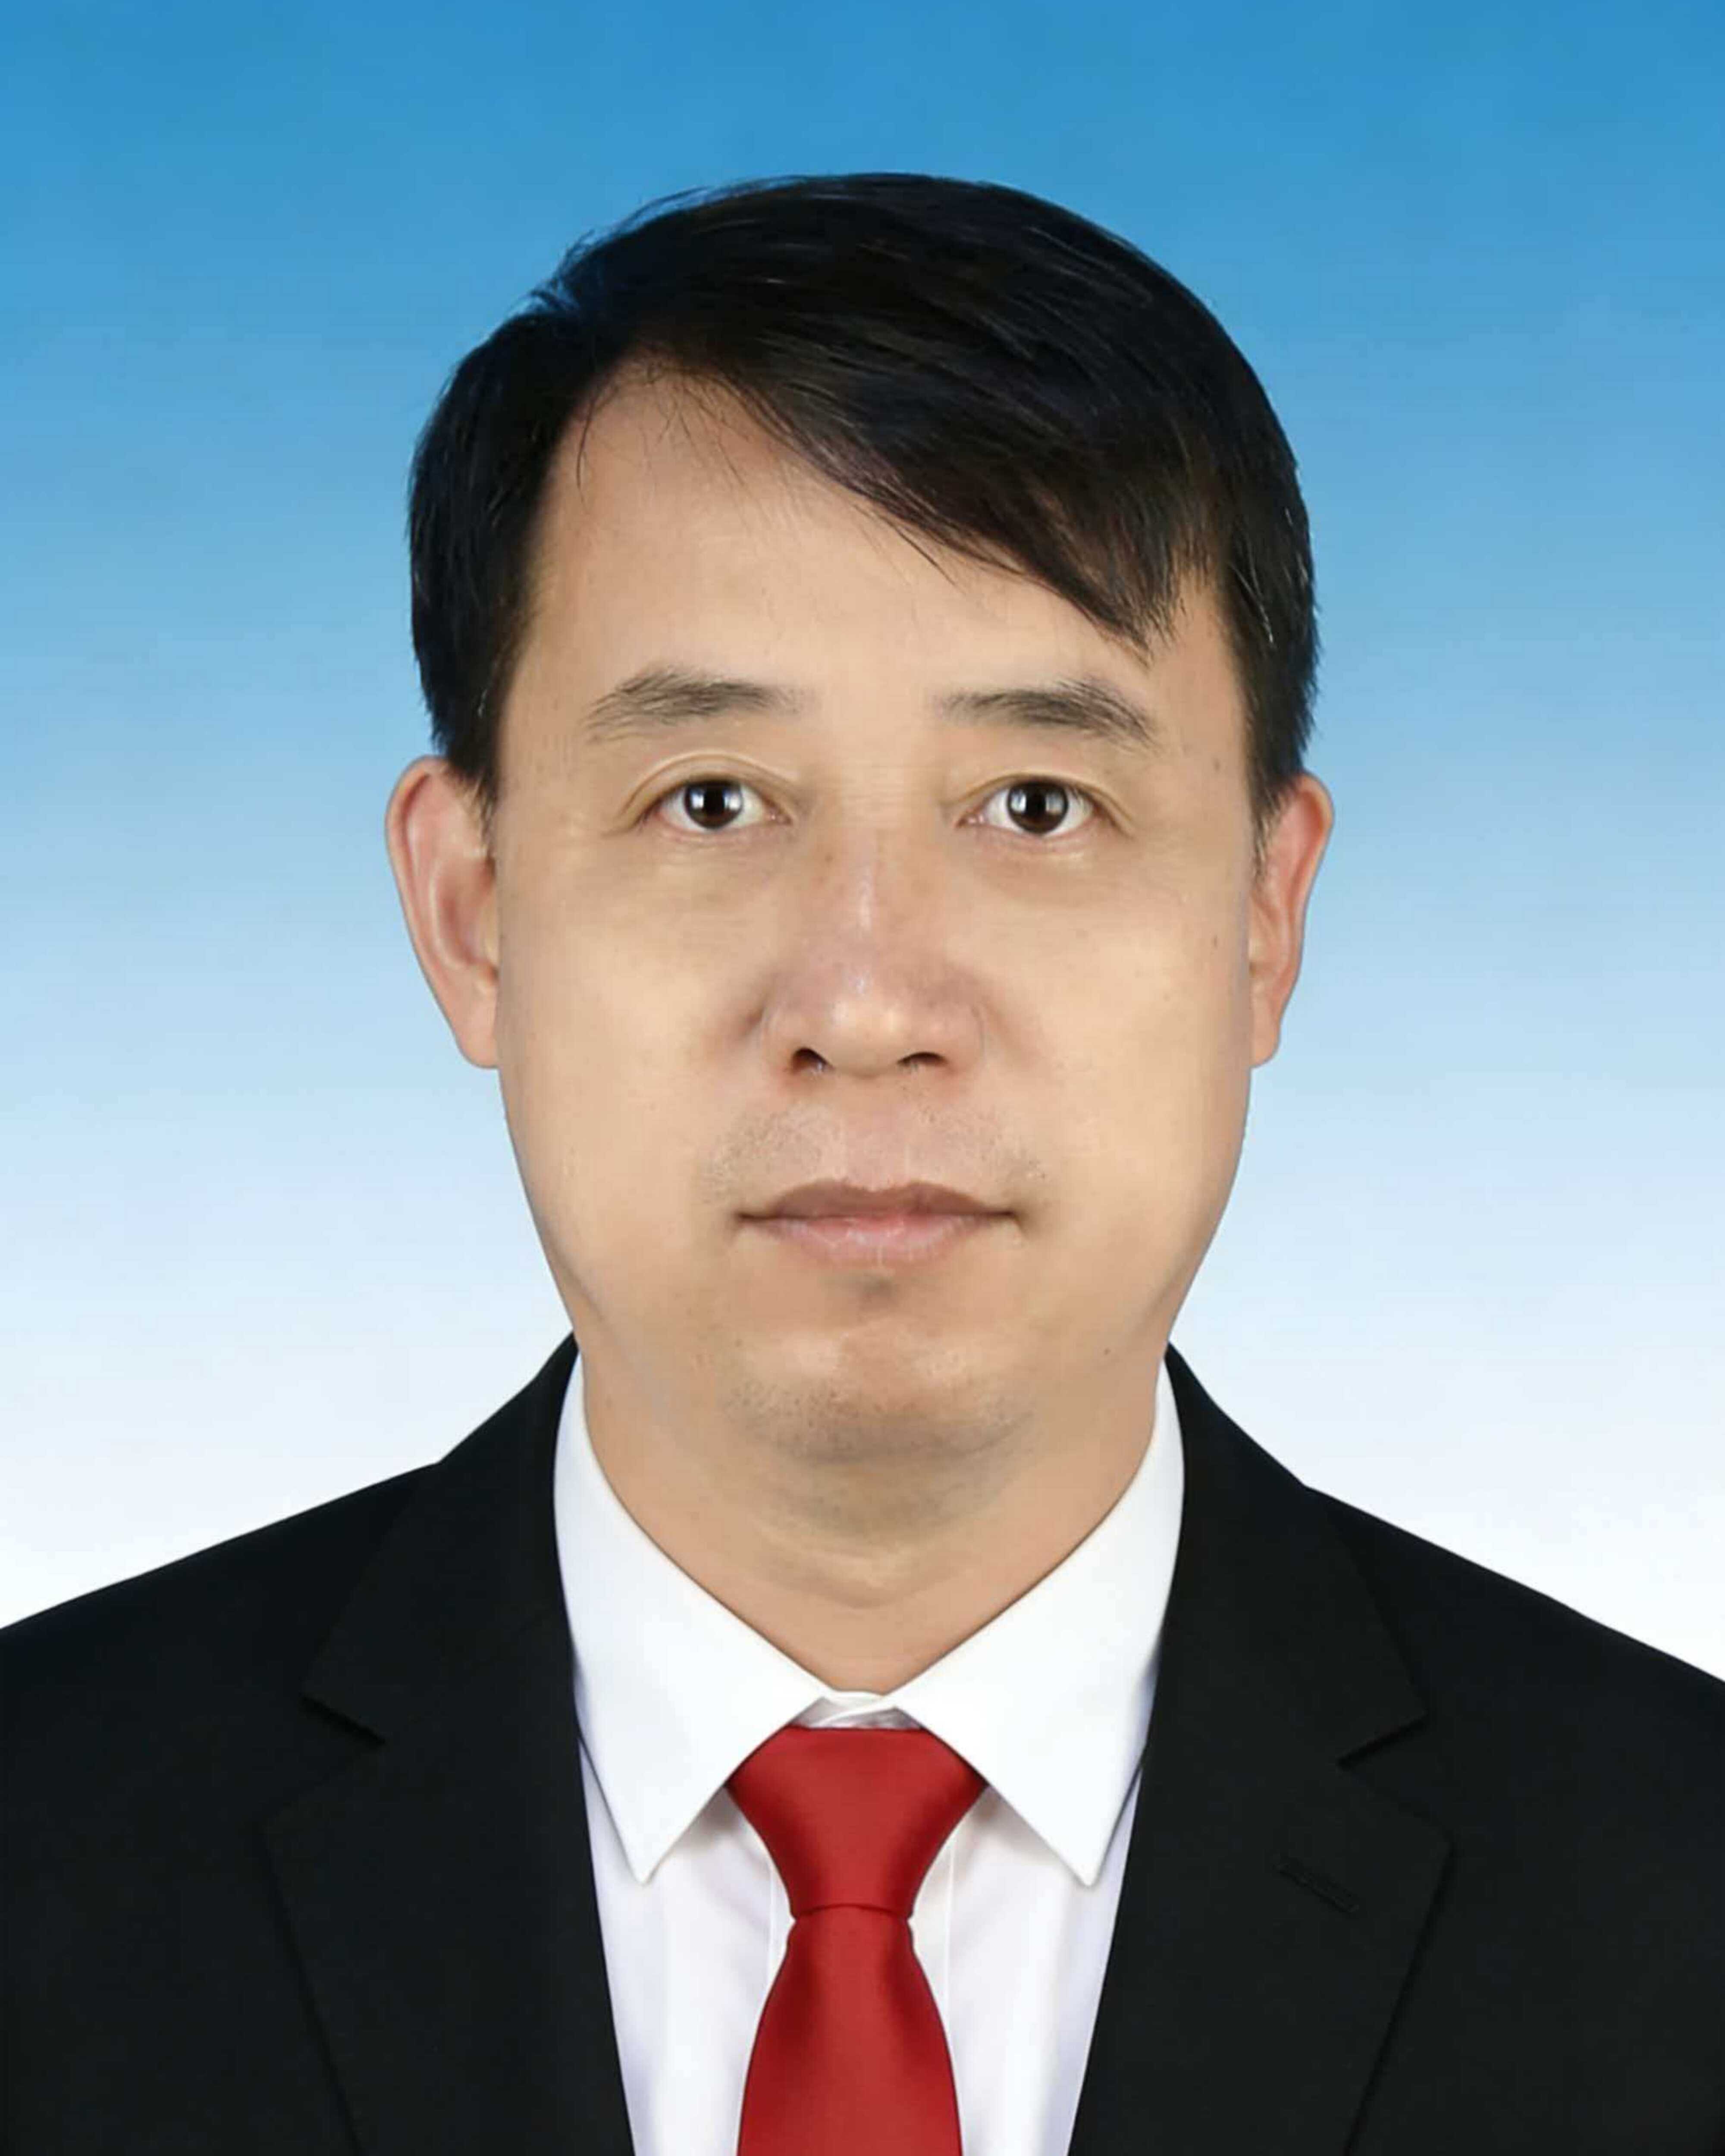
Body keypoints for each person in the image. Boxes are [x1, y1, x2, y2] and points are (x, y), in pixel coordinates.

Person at [3, 172, 1720, 2156]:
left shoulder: (1672, 1886)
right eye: (711, 799)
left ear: (1266, 913)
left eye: (1037, 801)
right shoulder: (47, 1841)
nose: (870, 998)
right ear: (469, 909)